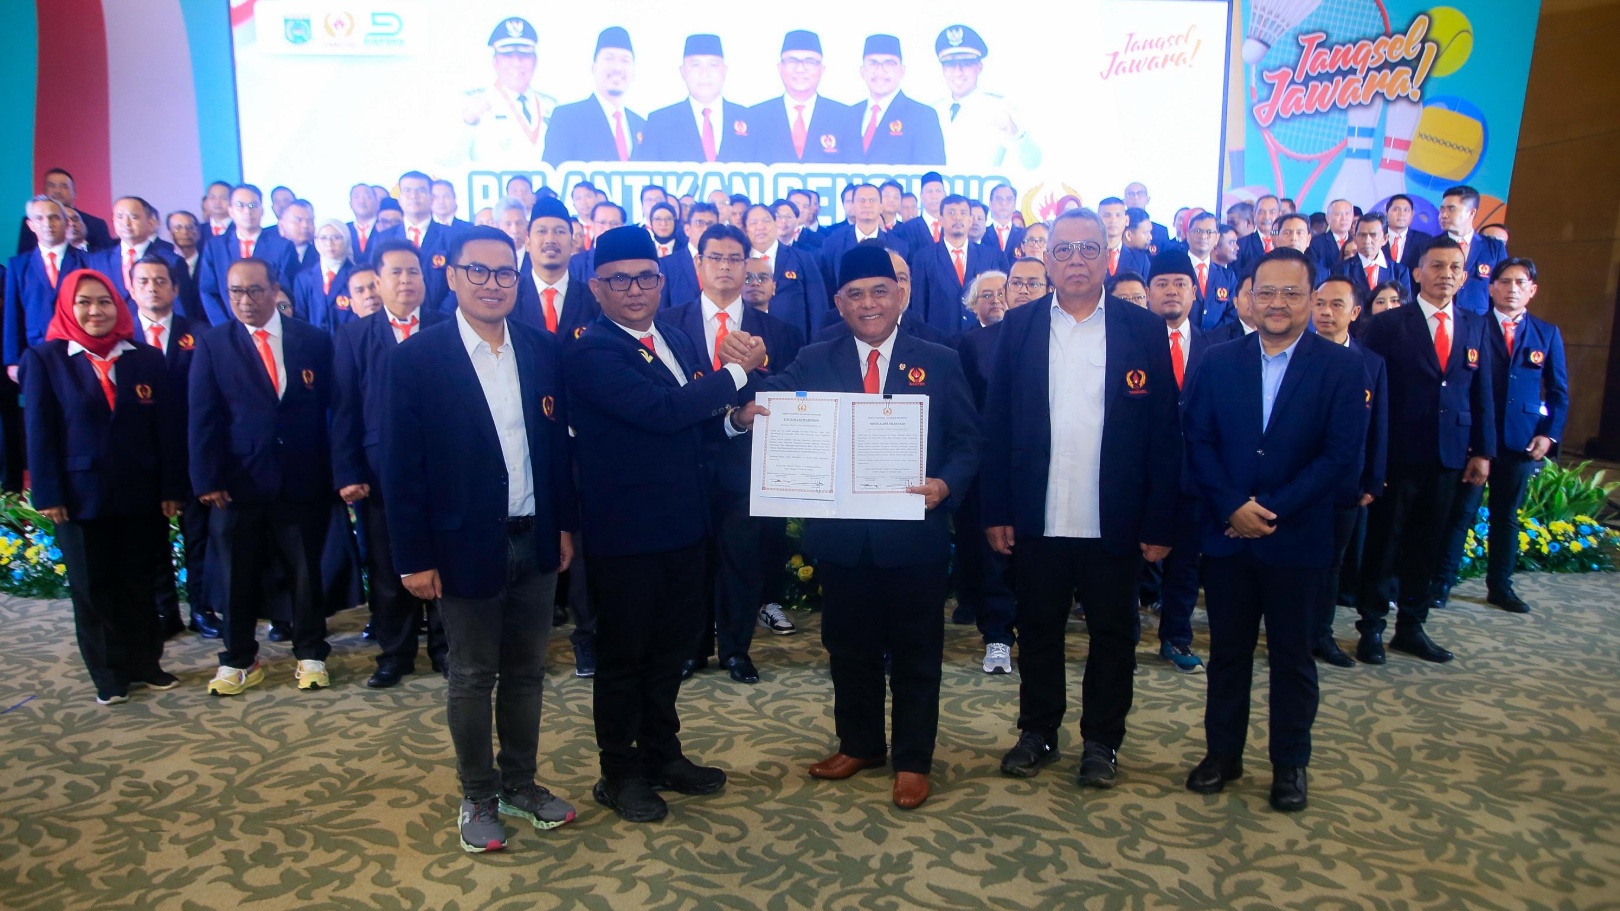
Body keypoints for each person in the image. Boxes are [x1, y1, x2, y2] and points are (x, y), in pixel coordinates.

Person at [740, 244, 980, 809]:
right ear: (839, 302)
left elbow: (969, 442)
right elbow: (771, 402)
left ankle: (913, 760)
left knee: (918, 652)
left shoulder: (940, 359)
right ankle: (861, 745)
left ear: (900, 295)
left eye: (879, 291)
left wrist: (946, 485)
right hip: (843, 540)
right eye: (855, 294)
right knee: (848, 648)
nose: (869, 303)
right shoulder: (815, 357)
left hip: (914, 536)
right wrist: (745, 411)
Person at [382, 225, 578, 852]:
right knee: (472, 675)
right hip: (460, 544)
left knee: (527, 672)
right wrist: (413, 557)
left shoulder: (541, 348)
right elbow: (400, 468)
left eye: (504, 273)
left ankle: (520, 782)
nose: (493, 284)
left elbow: (554, 449)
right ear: (453, 276)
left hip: (535, 536)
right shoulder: (417, 358)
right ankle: (478, 795)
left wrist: (563, 523)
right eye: (479, 271)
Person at [564, 225, 765, 823]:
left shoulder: (673, 337)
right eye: (619, 280)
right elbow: (660, 412)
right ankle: (618, 773)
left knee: (669, 651)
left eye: (645, 278)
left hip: (685, 526)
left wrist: (734, 421)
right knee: (624, 658)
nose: (634, 290)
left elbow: (695, 424)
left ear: (662, 281)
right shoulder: (591, 349)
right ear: (597, 288)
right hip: (627, 535)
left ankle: (661, 754)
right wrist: (738, 374)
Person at [982, 209, 1181, 787]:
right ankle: (1038, 731)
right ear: (1047, 260)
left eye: (1089, 249)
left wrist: (1160, 520)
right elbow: (997, 425)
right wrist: (997, 509)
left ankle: (1102, 742)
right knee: (1038, 629)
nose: (1076, 261)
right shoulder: (1019, 326)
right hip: (1038, 512)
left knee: (1114, 636)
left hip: (1113, 516)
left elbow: (1164, 433)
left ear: (1107, 257)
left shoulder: (1142, 329)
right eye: (1064, 250)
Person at [1180, 247, 1369, 813]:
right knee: (1228, 655)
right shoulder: (1218, 361)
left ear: (1312, 299)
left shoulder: (1342, 368)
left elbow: (1339, 457)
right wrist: (1232, 506)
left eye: (1291, 293)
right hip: (1228, 536)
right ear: (1248, 297)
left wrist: (1269, 509)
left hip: (1299, 539)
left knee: (1293, 658)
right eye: (1266, 292)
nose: (1277, 303)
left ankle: (1290, 765)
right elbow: (1198, 440)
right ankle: (1223, 755)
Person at [22, 268, 184, 703]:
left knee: (139, 581)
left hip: (140, 491)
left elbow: (166, 430)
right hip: (79, 496)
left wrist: (172, 486)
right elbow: (39, 431)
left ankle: (146, 662)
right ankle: (109, 674)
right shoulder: (45, 359)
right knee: (93, 587)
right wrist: (48, 493)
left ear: (118, 305)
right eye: (84, 302)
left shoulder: (145, 358)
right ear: (67, 308)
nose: (95, 311)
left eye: (104, 301)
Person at [664, 224, 804, 682]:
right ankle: (691, 648)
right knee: (691, 561)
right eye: (715, 257)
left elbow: (790, 393)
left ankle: (736, 650)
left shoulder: (779, 331)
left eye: (734, 259)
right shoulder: (668, 325)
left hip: (748, 463)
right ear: (698, 263)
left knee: (742, 559)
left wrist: (751, 386)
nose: (724, 266)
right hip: (685, 461)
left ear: (747, 266)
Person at [190, 258, 335, 695]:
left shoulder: (312, 340)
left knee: (305, 570)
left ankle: (310, 653)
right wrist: (207, 478)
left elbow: (332, 408)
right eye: (235, 292)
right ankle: (238, 658)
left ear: (274, 290)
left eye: (254, 290)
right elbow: (202, 416)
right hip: (238, 483)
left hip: (301, 478)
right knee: (235, 573)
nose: (245, 300)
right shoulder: (214, 344)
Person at [1353, 237, 1495, 664]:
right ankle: (1371, 627)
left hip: (1449, 456)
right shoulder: (1389, 324)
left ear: (1464, 276)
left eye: (1454, 267)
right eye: (1436, 266)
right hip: (1397, 454)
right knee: (1384, 542)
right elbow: (1369, 394)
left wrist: (1483, 451)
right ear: (1417, 272)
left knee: (1427, 545)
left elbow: (1482, 392)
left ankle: (1411, 626)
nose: (1445, 274)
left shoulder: (1475, 325)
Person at [330, 238, 449, 689]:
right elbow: (344, 411)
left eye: (413, 271)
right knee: (386, 566)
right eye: (395, 272)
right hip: (379, 475)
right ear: (377, 282)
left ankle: (446, 649)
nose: (405, 280)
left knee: (445, 560)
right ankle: (395, 654)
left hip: (443, 469)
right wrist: (348, 472)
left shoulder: (447, 327)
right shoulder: (354, 336)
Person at [1437, 257, 1568, 614]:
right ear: (1491, 288)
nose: (1512, 289)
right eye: (1505, 282)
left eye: (1520, 283)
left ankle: (1500, 587)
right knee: (1461, 513)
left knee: (1506, 516)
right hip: (1476, 439)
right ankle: (1442, 582)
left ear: (1532, 290)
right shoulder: (1471, 326)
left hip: (1521, 441)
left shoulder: (1546, 333)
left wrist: (1549, 435)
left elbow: (1558, 392)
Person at [129, 253, 218, 639]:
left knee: (199, 536)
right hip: (141, 456)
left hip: (189, 452)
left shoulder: (200, 334)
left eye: (161, 281)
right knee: (151, 538)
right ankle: (164, 609)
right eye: (144, 281)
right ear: (132, 288)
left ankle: (202, 608)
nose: (153, 288)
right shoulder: (120, 336)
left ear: (175, 288)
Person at [1307, 275, 1387, 667]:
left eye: (1336, 305)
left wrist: (1373, 477)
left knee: (1331, 562)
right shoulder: (1291, 353)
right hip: (1292, 481)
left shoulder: (1370, 363)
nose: (1326, 312)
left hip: (1345, 483)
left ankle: (1321, 634)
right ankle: (1287, 630)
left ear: (1355, 312)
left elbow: (1378, 425)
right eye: (1320, 303)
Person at [1142, 251, 1209, 673]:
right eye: (1162, 283)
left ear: (1194, 291)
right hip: (1140, 474)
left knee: (1185, 563)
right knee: (1129, 562)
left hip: (1193, 475)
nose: (1171, 291)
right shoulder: (1130, 342)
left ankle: (1176, 637)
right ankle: (1122, 637)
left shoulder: (1214, 348)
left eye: (1180, 283)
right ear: (1149, 293)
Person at [932, 25, 1040, 169]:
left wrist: (1014, 133)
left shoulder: (1000, 108)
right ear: (943, 69)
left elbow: (1032, 164)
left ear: (979, 67)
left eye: (966, 64)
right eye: (950, 64)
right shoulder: (931, 111)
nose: (958, 72)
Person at [7, 197, 92, 374]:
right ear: (31, 225)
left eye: (54, 217)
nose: (47, 224)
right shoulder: (18, 265)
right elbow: (13, 314)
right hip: (35, 350)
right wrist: (13, 360)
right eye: (39, 218)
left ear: (66, 223)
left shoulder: (88, 261)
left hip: (81, 351)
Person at [637, 34, 751, 163]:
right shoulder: (660, 122)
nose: (704, 73)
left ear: (725, 71)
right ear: (682, 71)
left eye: (713, 65)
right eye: (696, 65)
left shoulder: (749, 120)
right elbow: (646, 173)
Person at [196, 184, 299, 325]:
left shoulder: (282, 246)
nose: (247, 211)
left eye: (253, 206)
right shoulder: (215, 246)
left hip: (270, 324)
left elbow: (284, 291)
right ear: (231, 211)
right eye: (240, 205)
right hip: (228, 326)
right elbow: (208, 291)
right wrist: (225, 327)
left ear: (262, 210)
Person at [747, 31, 854, 165]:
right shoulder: (756, 116)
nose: (800, 69)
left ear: (822, 69)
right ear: (780, 68)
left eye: (810, 62)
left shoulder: (845, 116)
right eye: (792, 61)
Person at [460, 18, 556, 163]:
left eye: (524, 56)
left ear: (535, 61)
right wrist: (467, 123)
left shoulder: (551, 106)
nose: (517, 63)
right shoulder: (472, 103)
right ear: (495, 62)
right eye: (508, 56)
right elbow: (445, 160)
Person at [543, 28, 645, 165]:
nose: (617, 68)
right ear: (594, 67)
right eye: (609, 58)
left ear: (634, 72)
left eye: (625, 60)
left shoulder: (641, 125)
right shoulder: (567, 118)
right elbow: (552, 172)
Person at [909, 194, 998, 339]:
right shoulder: (924, 257)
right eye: (951, 213)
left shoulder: (989, 256)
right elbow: (919, 306)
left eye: (963, 213)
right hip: (938, 341)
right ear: (940, 220)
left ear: (970, 220)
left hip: (980, 339)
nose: (958, 218)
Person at [853, 34, 945, 166]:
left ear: (902, 71)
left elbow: (932, 173)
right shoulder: (849, 115)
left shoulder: (922, 116)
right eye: (873, 63)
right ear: (862, 71)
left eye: (889, 64)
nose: (880, 71)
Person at [743, 203, 827, 343]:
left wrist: (817, 347)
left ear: (775, 223)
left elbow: (818, 307)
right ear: (745, 229)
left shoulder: (802, 258)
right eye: (753, 222)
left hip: (793, 344)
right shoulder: (739, 261)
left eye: (766, 221)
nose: (760, 227)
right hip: (748, 343)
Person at [88, 197, 189, 313]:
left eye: (134, 217)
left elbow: (181, 309)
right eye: (120, 217)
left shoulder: (171, 260)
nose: (126, 223)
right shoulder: (98, 260)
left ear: (150, 222)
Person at [1332, 212, 1411, 334]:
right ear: (1355, 238)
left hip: (1391, 334)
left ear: (1385, 239)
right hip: (1354, 336)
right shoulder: (1341, 270)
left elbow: (1406, 309)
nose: (1367, 241)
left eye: (1373, 235)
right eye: (1362, 235)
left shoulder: (1399, 271)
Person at [1435, 185, 1507, 316]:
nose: (1443, 215)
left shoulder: (1494, 248)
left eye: (1451, 209)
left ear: (1471, 213)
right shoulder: (1429, 246)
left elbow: (1502, 288)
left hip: (1479, 321)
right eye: (1442, 209)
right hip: (1438, 318)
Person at [16, 168, 112, 254]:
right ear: (44, 191)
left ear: (74, 193)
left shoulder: (96, 224)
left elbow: (106, 259)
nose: (57, 191)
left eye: (64, 186)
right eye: (51, 185)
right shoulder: (32, 221)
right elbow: (24, 256)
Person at [293, 220, 355, 333]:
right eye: (323, 238)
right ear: (316, 241)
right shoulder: (303, 279)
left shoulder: (356, 276)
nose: (329, 243)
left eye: (336, 237)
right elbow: (300, 318)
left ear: (346, 240)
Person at [658, 202, 717, 311]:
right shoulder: (668, 265)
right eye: (699, 223)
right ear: (687, 229)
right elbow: (662, 309)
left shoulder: (725, 263)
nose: (705, 229)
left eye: (710, 224)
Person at [1185, 212, 1237, 331]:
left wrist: (1213, 336)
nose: (1203, 236)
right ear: (1188, 235)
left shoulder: (1227, 276)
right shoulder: (1175, 270)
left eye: (1209, 232)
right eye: (1198, 231)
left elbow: (1232, 312)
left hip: (1217, 339)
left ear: (1217, 238)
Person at [1099, 197, 1151, 281]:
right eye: (1107, 215)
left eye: (1118, 215)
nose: (1113, 220)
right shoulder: (1087, 254)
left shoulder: (1141, 260)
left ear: (1126, 220)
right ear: (1097, 220)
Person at [1382, 194, 1431, 273]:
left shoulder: (1424, 240)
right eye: (1396, 209)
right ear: (1386, 213)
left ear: (1412, 214)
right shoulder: (1377, 237)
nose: (1401, 214)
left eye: (1406, 210)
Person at [1306, 199, 1355, 277]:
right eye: (1338, 214)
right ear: (1328, 218)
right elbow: (1315, 271)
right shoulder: (1316, 243)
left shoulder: (1357, 242)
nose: (1344, 218)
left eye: (1347, 214)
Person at [1122, 183, 1170, 252]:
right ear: (1124, 201)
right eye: (1131, 194)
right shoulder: (1117, 228)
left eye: (1141, 193)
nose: (1136, 197)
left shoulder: (1160, 232)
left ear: (1148, 199)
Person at [277, 200, 318, 277]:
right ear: (282, 225)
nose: (305, 225)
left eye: (310, 221)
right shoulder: (271, 254)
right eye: (298, 220)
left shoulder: (321, 255)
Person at [347, 183, 382, 260]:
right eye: (357, 197)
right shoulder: (344, 229)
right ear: (350, 204)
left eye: (367, 197)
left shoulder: (385, 227)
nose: (361, 201)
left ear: (377, 203)